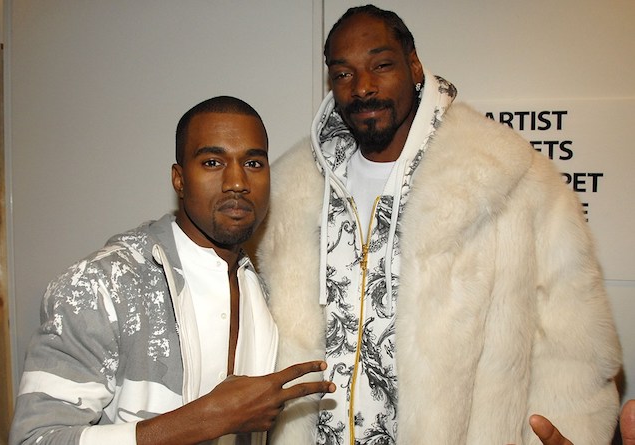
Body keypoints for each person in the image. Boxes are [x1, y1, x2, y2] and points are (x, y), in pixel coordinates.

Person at [255, 5, 622, 444]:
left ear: (414, 66)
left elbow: (575, 347)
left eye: (381, 65)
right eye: (343, 73)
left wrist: (572, 433)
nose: (363, 87)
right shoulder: (293, 191)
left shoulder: (510, 179)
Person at [9, 96, 335, 445]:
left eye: (253, 163)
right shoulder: (102, 284)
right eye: (212, 162)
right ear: (179, 180)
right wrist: (206, 418)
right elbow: (34, 438)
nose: (237, 182)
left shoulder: (265, 295)